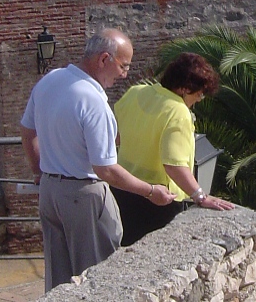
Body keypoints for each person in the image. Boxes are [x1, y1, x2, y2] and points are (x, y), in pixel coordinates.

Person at [20, 29, 176, 291]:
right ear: (104, 59)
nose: (124, 74)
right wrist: (151, 191)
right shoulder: (93, 101)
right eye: (123, 66)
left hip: (50, 192)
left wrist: (39, 172)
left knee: (59, 280)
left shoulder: (51, 80)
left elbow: (27, 132)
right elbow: (106, 170)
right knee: (96, 279)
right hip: (83, 196)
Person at [113, 52, 235, 246]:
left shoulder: (135, 92)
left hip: (121, 189)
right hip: (156, 200)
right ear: (185, 89)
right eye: (200, 93)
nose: (200, 99)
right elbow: (173, 165)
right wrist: (200, 196)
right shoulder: (178, 112)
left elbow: (116, 137)